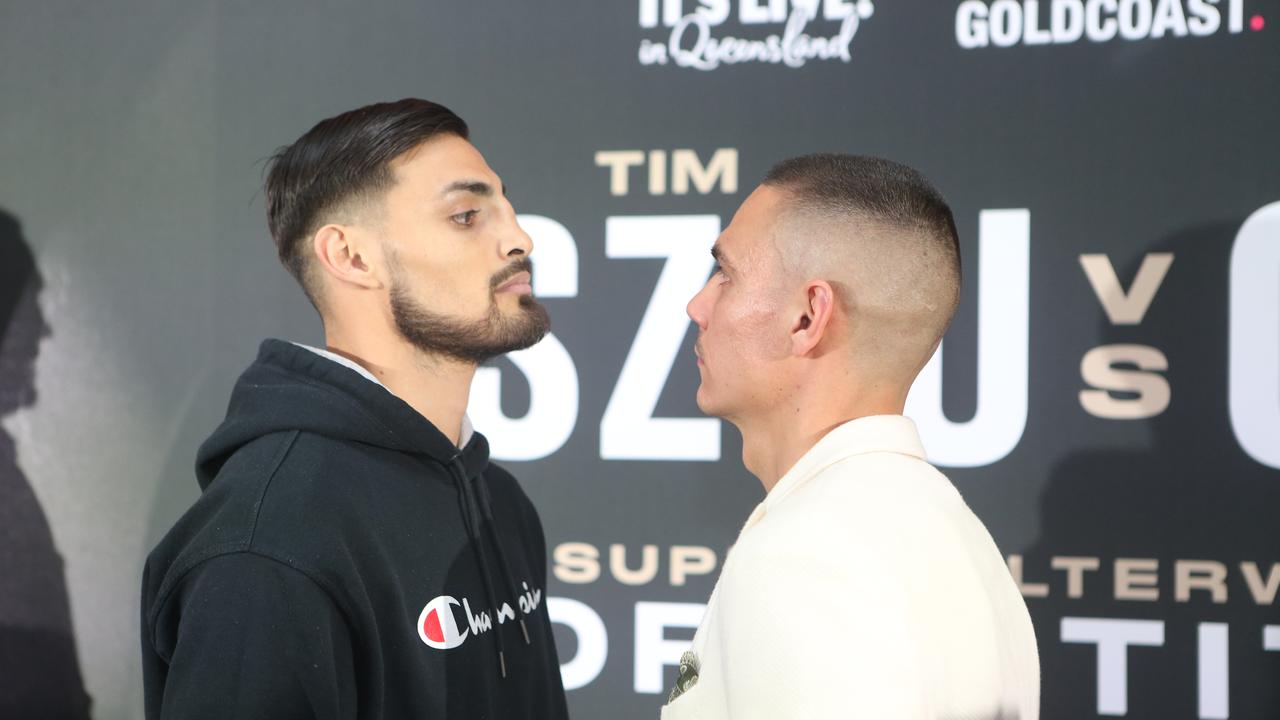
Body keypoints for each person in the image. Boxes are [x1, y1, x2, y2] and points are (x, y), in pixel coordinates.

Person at [141, 99, 569, 719]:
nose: (520, 238)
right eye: (467, 215)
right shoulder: (267, 546)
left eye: (506, 208)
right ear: (351, 257)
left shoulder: (500, 502)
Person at [661, 155, 1040, 719]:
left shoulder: (802, 556)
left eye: (726, 274)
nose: (697, 304)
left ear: (807, 318)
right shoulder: (970, 546)